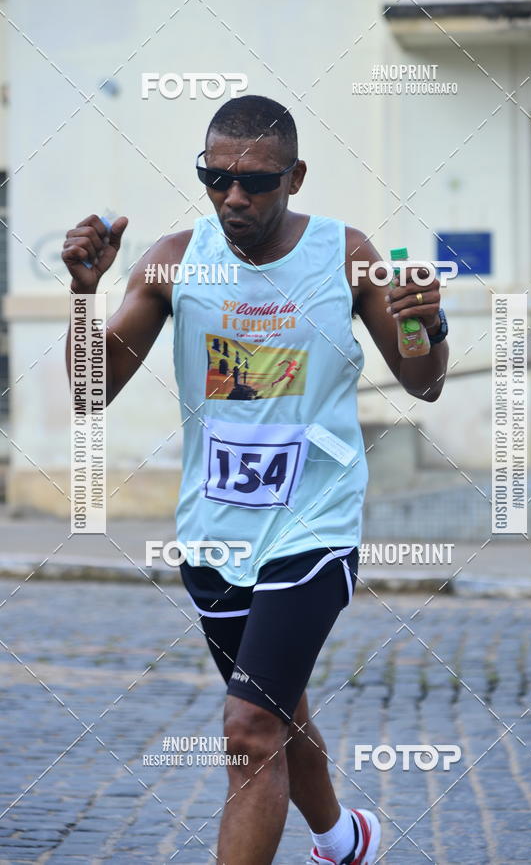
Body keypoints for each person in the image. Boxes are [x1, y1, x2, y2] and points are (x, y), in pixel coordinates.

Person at [62, 94, 449, 865]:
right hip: (213, 532)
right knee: (277, 708)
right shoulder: (175, 260)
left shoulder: (348, 254)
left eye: (258, 182)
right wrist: (83, 295)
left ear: (295, 177)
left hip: (313, 526)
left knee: (248, 729)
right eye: (215, 178)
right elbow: (88, 391)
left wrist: (425, 323)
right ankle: (344, 839)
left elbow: (424, 382)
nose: (234, 196)